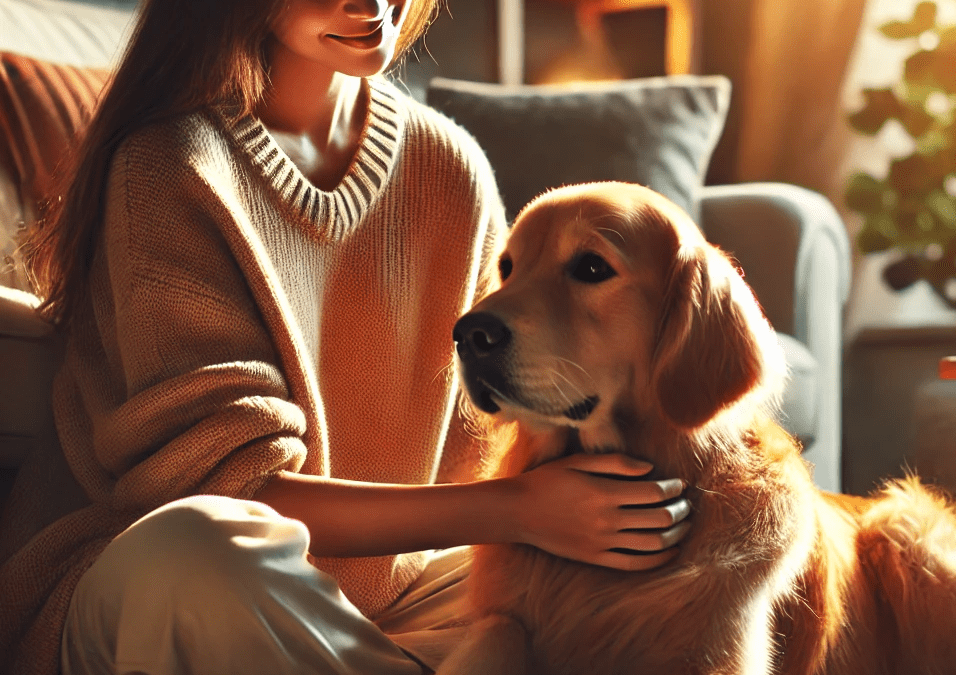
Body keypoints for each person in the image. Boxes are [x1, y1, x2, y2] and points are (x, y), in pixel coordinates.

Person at [0, 0, 692, 673]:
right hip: (175, 584)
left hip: (400, 597)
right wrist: (523, 511)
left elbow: (489, 440)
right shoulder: (170, 166)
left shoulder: (452, 166)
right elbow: (235, 492)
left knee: (647, 572)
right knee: (191, 552)